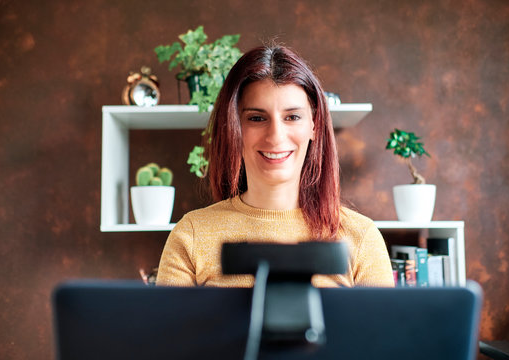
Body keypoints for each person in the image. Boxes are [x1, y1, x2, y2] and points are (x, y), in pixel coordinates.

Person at [156, 45, 394, 288]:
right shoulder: (191, 234)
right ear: (233, 127)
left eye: (292, 117)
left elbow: (383, 327)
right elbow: (165, 326)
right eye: (257, 118)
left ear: (315, 125)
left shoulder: (362, 237)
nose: (276, 136)